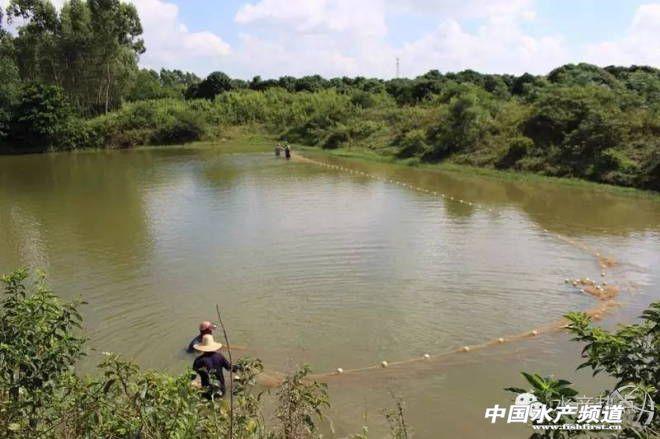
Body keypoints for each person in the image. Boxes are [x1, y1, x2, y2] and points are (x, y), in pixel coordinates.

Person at [192, 334, 238, 399]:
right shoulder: (220, 356)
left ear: (202, 347)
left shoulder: (199, 360)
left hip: (208, 393)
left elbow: (192, 376)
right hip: (221, 390)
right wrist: (240, 368)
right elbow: (230, 368)